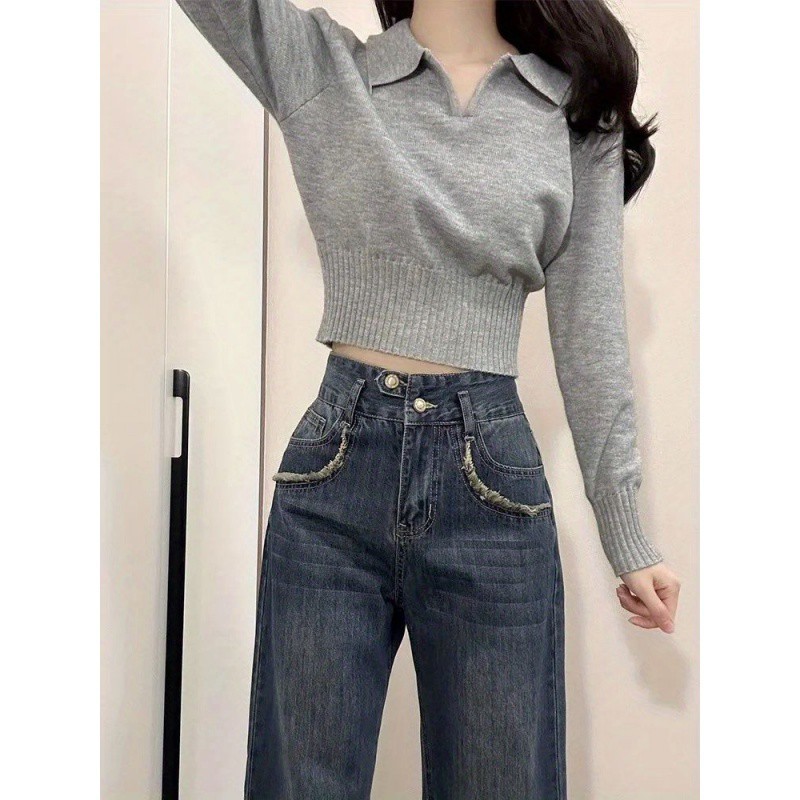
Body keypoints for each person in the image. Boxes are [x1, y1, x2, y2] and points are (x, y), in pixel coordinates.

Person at [174, 1, 682, 797]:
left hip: (491, 483)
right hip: (334, 474)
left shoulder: (576, 112)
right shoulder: (326, 70)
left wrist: (627, 533)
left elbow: (592, 330)